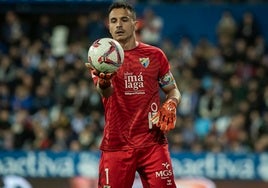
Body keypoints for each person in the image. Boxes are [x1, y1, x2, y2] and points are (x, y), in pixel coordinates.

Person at [85, 2, 181, 188]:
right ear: (109, 26)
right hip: (116, 144)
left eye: (124, 20)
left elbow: (173, 90)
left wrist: (172, 104)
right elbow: (106, 92)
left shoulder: (155, 55)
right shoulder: (99, 57)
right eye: (114, 21)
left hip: (153, 143)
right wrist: (104, 82)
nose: (119, 25)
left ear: (135, 24)